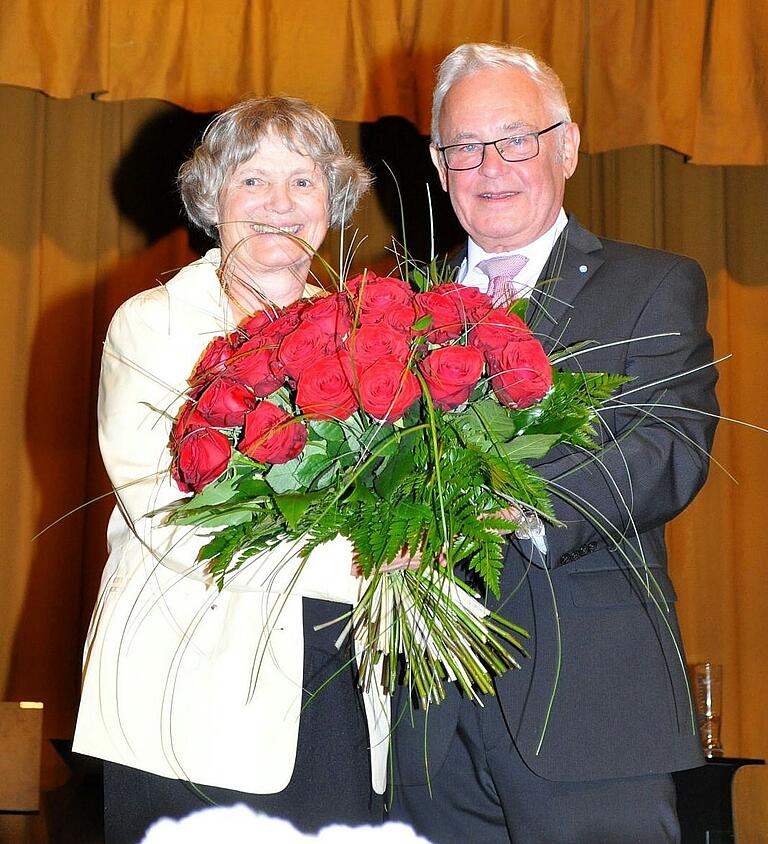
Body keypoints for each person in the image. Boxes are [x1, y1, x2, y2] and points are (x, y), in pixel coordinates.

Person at [388, 43, 718, 843]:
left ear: (566, 146)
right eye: (462, 147)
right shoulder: (392, 307)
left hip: (589, 712)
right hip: (420, 724)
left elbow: (668, 448)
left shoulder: (652, 284)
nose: (489, 166)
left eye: (515, 138)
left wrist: (513, 513)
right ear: (437, 165)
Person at [73, 96, 388, 843]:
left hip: (336, 697)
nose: (281, 203)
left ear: (333, 201)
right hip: (190, 702)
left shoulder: (369, 335)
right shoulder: (156, 326)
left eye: (305, 181)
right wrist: (374, 557)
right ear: (212, 199)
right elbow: (180, 516)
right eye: (253, 180)